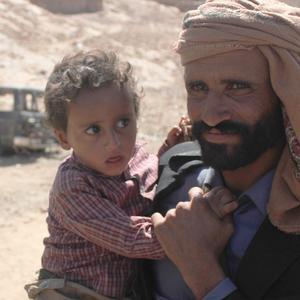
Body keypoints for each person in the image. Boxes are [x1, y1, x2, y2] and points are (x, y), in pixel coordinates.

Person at [24, 50, 235, 300]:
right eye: (94, 130)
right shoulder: (73, 186)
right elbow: (131, 238)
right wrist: (199, 222)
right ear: (63, 138)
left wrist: (171, 152)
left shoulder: (134, 155)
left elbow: (151, 180)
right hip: (71, 292)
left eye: (123, 123)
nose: (113, 143)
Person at [150, 0, 300, 299]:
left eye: (237, 87)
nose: (211, 115)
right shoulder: (169, 174)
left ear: (285, 97)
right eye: (198, 88)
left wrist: (202, 271)